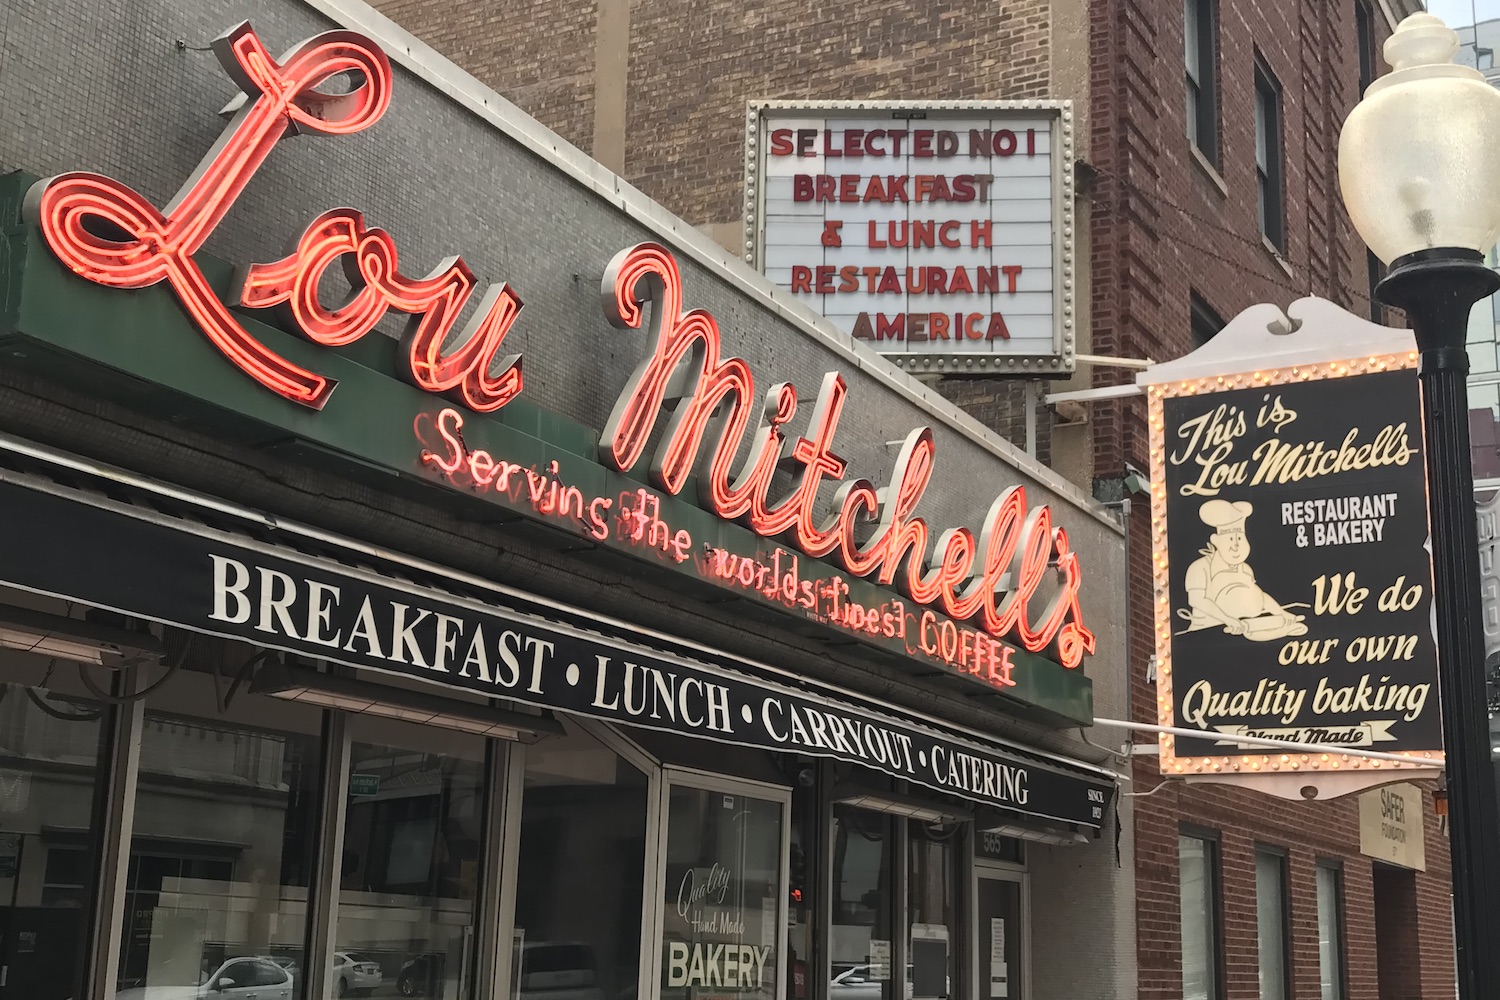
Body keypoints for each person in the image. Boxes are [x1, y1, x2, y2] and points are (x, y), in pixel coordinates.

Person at [1182, 499, 1306, 639]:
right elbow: (1197, 600)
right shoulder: (1199, 567)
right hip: (1207, 634)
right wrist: (1227, 619)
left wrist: (1281, 613)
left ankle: (1284, 631)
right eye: (1230, 539)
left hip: (1243, 628)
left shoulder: (1245, 569)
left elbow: (1259, 596)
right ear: (1215, 541)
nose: (1235, 546)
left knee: (1252, 633)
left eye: (1239, 539)